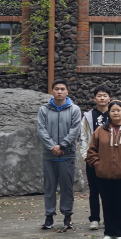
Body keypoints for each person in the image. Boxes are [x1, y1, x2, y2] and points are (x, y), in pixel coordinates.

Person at [85, 100, 121, 239]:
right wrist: (97, 164)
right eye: (113, 110)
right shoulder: (100, 130)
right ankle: (109, 233)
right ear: (109, 113)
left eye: (118, 110)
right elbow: (91, 150)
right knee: (107, 203)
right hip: (104, 173)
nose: (116, 113)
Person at [37, 78, 82, 230]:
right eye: (56, 89)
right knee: (49, 187)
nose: (59, 92)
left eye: (62, 89)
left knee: (66, 187)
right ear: (52, 91)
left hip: (67, 154)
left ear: (67, 91)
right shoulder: (44, 109)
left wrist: (63, 145)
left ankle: (67, 216)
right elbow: (41, 129)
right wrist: (52, 147)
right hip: (49, 155)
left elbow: (75, 129)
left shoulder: (74, 109)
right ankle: (49, 216)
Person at [78, 84, 111, 230]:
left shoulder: (114, 113)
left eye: (104, 95)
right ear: (94, 98)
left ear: (109, 98)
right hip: (93, 158)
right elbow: (83, 137)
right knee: (94, 190)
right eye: (99, 95)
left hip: (110, 159)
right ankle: (94, 218)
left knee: (109, 190)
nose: (102, 98)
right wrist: (86, 156)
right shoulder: (88, 116)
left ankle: (109, 218)